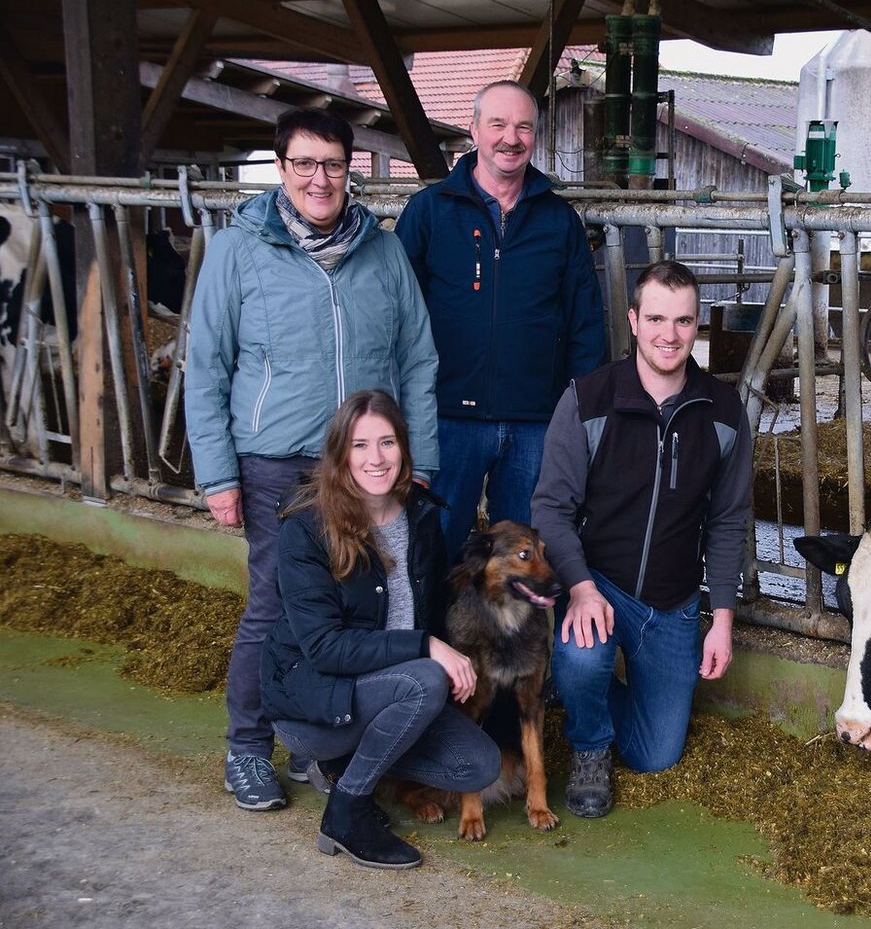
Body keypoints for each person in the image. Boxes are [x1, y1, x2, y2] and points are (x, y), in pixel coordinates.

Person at [185, 108, 439, 812]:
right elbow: (205, 363)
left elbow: (417, 357)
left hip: (365, 464)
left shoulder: (381, 251)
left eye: (332, 164)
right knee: (272, 606)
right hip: (275, 459)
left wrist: (420, 458)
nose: (320, 178)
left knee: (354, 607)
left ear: (349, 169)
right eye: (305, 164)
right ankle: (246, 747)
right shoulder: (239, 250)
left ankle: (315, 741)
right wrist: (216, 474)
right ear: (281, 169)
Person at [531, 260, 753, 819]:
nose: (668, 335)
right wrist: (579, 587)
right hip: (599, 585)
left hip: (673, 605)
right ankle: (588, 746)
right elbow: (551, 509)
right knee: (584, 658)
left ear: (697, 323)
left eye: (682, 321)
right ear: (633, 320)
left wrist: (720, 617)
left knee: (656, 755)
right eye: (655, 318)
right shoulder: (587, 399)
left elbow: (729, 521)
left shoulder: (723, 413)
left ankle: (572, 689)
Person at [261, 390, 499, 870]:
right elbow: (325, 648)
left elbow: (429, 610)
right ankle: (345, 810)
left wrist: (453, 653)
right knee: (427, 676)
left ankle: (353, 766)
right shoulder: (307, 525)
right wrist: (429, 648)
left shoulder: (422, 514)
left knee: (478, 764)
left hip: (393, 691)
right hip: (315, 705)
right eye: (360, 445)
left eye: (387, 443)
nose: (376, 458)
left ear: (404, 449)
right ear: (339, 454)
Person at [396, 80, 605, 560]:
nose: (510, 138)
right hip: (445, 419)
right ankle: (427, 637)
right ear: (474, 130)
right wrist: (404, 407)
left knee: (522, 558)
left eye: (523, 126)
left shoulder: (559, 220)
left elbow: (585, 323)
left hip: (536, 421)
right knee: (433, 546)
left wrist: (574, 416)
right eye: (498, 124)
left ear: (535, 135)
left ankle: (511, 639)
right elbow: (397, 316)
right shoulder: (428, 212)